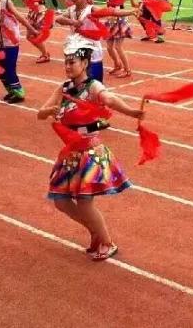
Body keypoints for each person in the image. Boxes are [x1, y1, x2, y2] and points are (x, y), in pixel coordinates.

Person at [37, 34, 146, 261]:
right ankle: (94, 232)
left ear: (85, 63)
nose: (67, 66)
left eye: (72, 62)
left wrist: (132, 112)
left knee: (85, 203)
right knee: (61, 202)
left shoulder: (93, 86)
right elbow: (40, 113)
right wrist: (50, 110)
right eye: (66, 62)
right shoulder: (64, 88)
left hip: (89, 153)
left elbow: (110, 99)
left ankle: (107, 242)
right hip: (70, 154)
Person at [103, 0, 137, 78]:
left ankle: (127, 70)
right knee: (109, 46)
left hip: (119, 19)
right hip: (110, 19)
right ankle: (117, 65)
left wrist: (133, 1)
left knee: (118, 46)